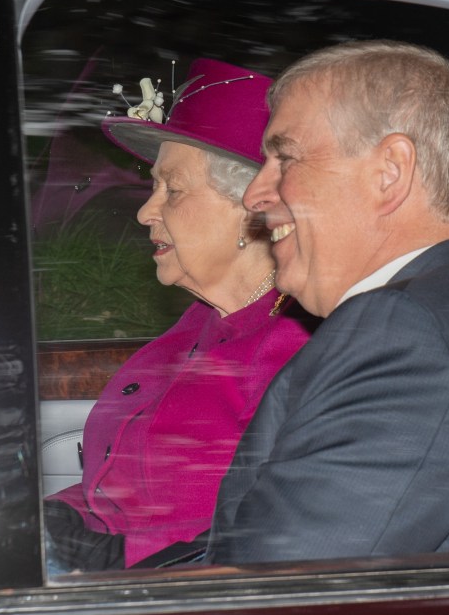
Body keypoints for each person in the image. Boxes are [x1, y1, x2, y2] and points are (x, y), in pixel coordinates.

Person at [204, 40, 449, 564]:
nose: (255, 194)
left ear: (389, 172)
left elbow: (276, 586)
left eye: (284, 157)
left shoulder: (406, 334)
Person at [44, 58, 317, 572]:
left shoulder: (304, 346)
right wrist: (47, 520)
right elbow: (112, 499)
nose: (146, 211)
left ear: (252, 206)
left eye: (173, 188)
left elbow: (282, 533)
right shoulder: (200, 322)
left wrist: (106, 557)